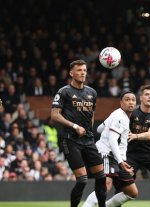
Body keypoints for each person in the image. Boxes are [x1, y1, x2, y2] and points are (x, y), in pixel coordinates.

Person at [50, 59, 106, 207]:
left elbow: (92, 113)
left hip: (88, 140)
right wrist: (75, 126)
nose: (83, 73)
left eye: (84, 70)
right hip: (70, 140)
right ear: (71, 73)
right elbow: (54, 115)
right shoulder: (64, 92)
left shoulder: (92, 92)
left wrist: (88, 130)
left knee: (101, 177)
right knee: (82, 180)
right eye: (79, 70)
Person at [83, 91, 137, 207]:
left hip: (117, 158)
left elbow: (99, 129)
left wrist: (109, 127)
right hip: (106, 154)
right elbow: (112, 140)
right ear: (121, 102)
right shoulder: (120, 117)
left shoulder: (116, 114)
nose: (131, 102)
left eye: (133, 100)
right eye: (127, 100)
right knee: (106, 185)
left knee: (132, 192)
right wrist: (121, 162)